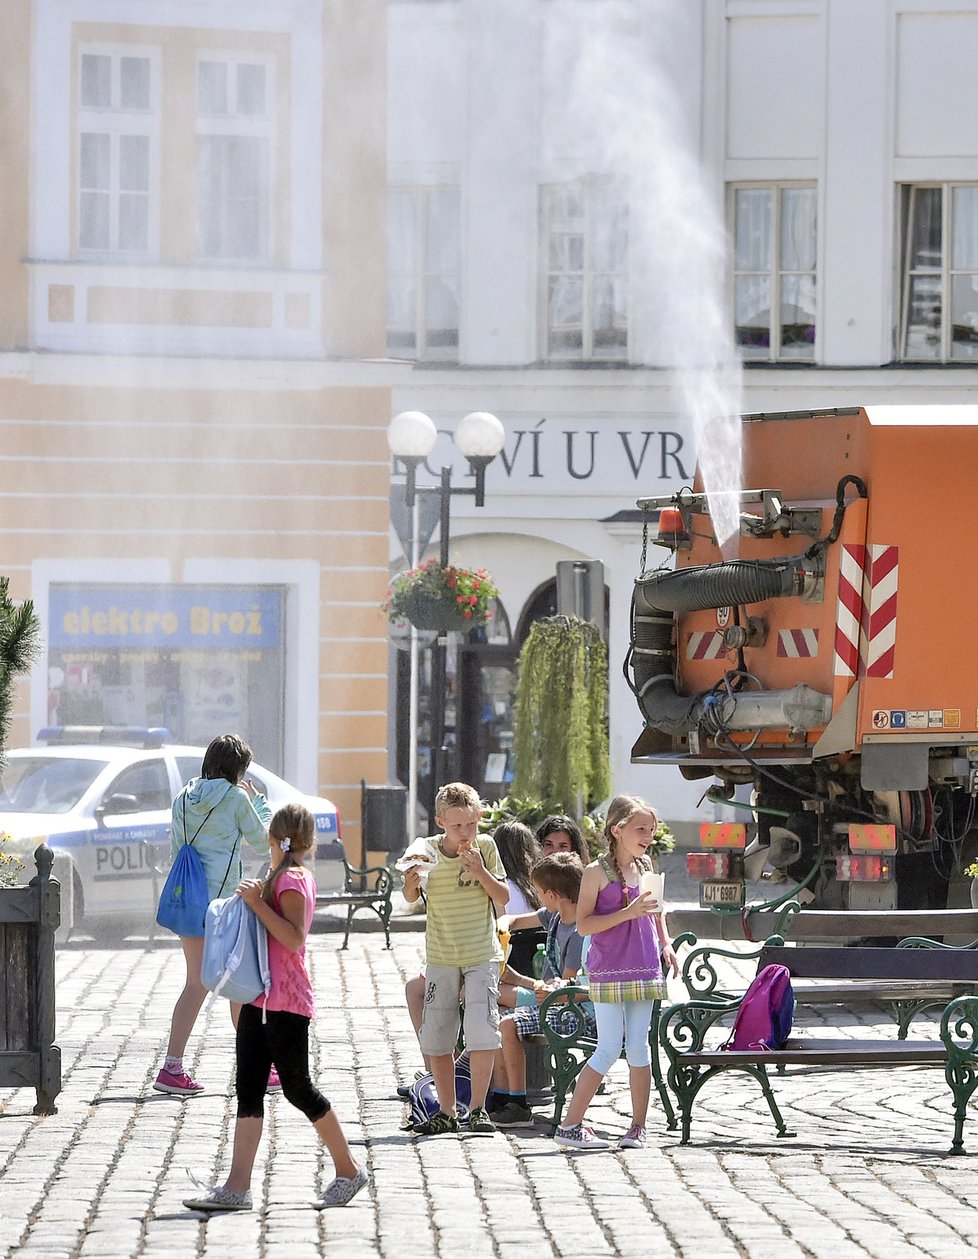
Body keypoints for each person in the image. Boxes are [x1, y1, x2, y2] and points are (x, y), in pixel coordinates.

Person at [183, 803, 368, 1212]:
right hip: (258, 999)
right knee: (248, 1088)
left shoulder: (293, 881)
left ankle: (349, 1168)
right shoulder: (277, 877)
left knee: (298, 1087)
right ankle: (237, 1187)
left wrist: (257, 904)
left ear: (276, 840)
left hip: (286, 1002)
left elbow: (294, 937)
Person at [552, 794, 678, 1152]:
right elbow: (584, 926)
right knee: (608, 1047)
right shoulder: (595, 873)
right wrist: (628, 912)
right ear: (617, 829)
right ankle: (570, 1125)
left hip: (644, 965)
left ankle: (638, 1127)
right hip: (609, 969)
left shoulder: (646, 866)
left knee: (639, 1047)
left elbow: (656, 911)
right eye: (641, 828)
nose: (648, 835)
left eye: (651, 830)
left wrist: (665, 943)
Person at [154, 733, 271, 1097]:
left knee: (196, 983)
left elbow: (177, 848)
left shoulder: (183, 797)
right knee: (242, 982)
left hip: (190, 902)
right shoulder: (236, 798)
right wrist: (259, 803)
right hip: (224, 907)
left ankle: (172, 1066)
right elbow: (263, 841)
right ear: (238, 770)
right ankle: (259, 1070)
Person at [401, 782, 509, 1136]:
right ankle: (446, 1110)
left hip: (481, 952)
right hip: (442, 954)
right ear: (440, 822)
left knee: (482, 1031)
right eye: (457, 825)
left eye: (471, 824)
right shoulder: (426, 851)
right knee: (438, 1036)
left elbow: (503, 898)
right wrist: (411, 882)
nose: (465, 833)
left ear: (479, 819)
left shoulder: (486, 847)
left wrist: (480, 872)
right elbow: (410, 896)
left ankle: (477, 1109)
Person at [399, 816, 540, 1083]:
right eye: (458, 825)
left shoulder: (500, 881)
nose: (465, 833)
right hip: (497, 968)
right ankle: (445, 1073)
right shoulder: (533, 888)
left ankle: (442, 1071)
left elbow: (500, 921)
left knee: (424, 993)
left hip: (501, 972)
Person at [491, 851, 593, 1126]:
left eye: (538, 891)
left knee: (508, 1024)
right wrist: (504, 924)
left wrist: (526, 983)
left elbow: (565, 991)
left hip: (571, 1009)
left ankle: (518, 1102)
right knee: (496, 1008)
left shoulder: (578, 933)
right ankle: (500, 1093)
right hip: (548, 998)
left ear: (551, 893)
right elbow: (518, 920)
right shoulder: (555, 916)